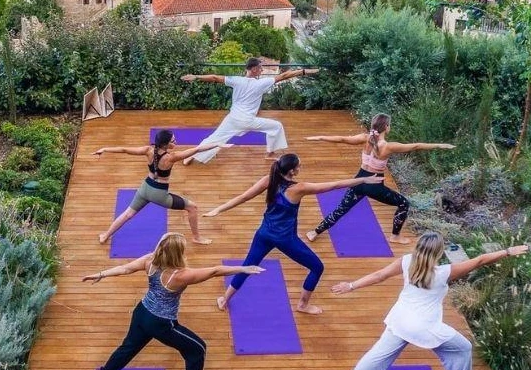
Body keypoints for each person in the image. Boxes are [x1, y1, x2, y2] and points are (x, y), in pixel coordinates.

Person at [332, 232, 530, 370]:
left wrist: (350, 285)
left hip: (399, 319)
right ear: (438, 252)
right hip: (425, 327)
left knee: (377, 355)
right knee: (463, 348)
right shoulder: (444, 272)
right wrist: (507, 251)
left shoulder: (406, 262)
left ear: (417, 248)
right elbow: (479, 260)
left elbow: (379, 276)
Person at [84, 233, 265, 370]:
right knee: (197, 349)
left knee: (128, 347)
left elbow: (125, 269)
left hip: (141, 312)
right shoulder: (181, 275)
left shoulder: (150, 261)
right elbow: (215, 271)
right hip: (161, 323)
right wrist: (243, 269)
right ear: (179, 253)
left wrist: (100, 274)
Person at [204, 154, 383, 315]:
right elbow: (334, 185)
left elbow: (243, 197)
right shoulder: (299, 188)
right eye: (299, 166)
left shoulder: (269, 179)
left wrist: (218, 209)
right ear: (291, 171)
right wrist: (364, 180)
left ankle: (225, 299)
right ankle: (303, 305)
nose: (300, 168)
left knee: (247, 266)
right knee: (317, 267)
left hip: (264, 233)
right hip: (285, 239)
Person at [304, 113, 456, 245]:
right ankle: (395, 236)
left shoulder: (365, 138)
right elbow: (415, 146)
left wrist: (320, 137)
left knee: (341, 209)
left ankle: (314, 232)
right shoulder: (388, 146)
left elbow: (342, 139)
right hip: (375, 185)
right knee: (403, 203)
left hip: (358, 181)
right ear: (387, 127)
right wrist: (440, 145)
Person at [93, 129, 233, 245]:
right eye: (173, 140)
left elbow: (124, 149)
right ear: (166, 145)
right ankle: (196, 237)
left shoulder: (148, 150)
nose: (176, 142)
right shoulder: (171, 157)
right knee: (192, 207)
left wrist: (104, 149)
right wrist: (217, 145)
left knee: (127, 214)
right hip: (159, 194)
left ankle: (105, 235)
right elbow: (197, 149)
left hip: (144, 188)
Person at [179, 57, 321, 165]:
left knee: (215, 138)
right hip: (247, 120)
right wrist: (304, 71)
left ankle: (190, 156)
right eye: (260, 68)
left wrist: (196, 76)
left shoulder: (236, 80)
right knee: (276, 126)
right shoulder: (262, 83)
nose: (262, 70)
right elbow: (284, 76)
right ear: (253, 69)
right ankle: (270, 154)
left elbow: (215, 77)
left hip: (233, 118)